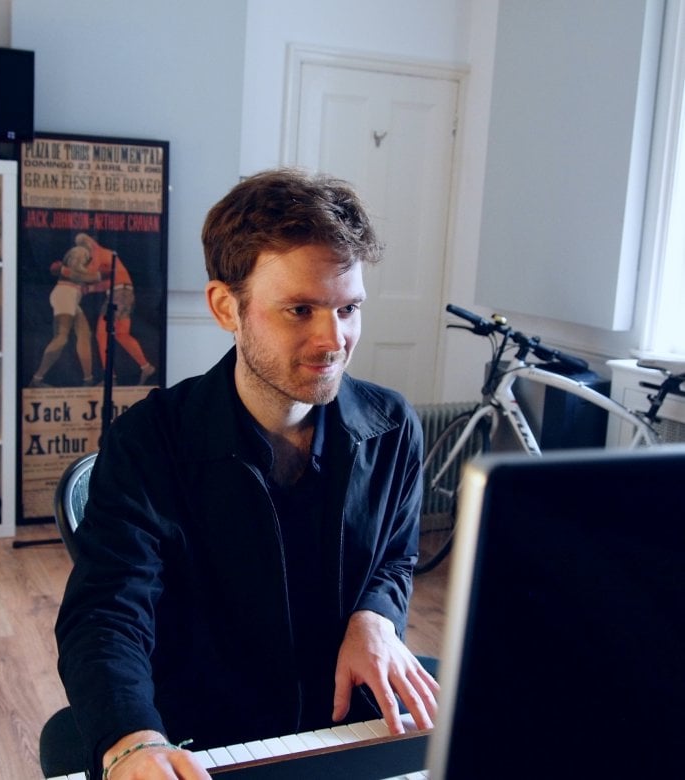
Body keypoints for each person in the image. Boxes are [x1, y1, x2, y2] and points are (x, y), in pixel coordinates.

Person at [55, 168, 438, 779]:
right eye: (299, 309)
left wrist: (375, 616)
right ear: (225, 307)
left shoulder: (393, 425)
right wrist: (132, 740)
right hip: (200, 731)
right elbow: (107, 611)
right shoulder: (149, 441)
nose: (333, 339)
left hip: (343, 716)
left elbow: (394, 558)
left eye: (348, 308)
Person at [74, 232, 157, 385]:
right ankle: (146, 367)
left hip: (119, 294)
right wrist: (90, 289)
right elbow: (110, 282)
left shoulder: (97, 252)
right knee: (121, 334)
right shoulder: (107, 256)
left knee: (101, 334)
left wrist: (73, 272)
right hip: (125, 293)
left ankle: (109, 378)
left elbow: (91, 274)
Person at [30, 245, 97, 388]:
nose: (87, 259)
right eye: (84, 257)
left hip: (71, 298)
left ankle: (88, 379)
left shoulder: (76, 270)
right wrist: (98, 276)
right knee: (61, 337)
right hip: (65, 295)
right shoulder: (70, 269)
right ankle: (37, 379)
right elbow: (88, 277)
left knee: (85, 334)